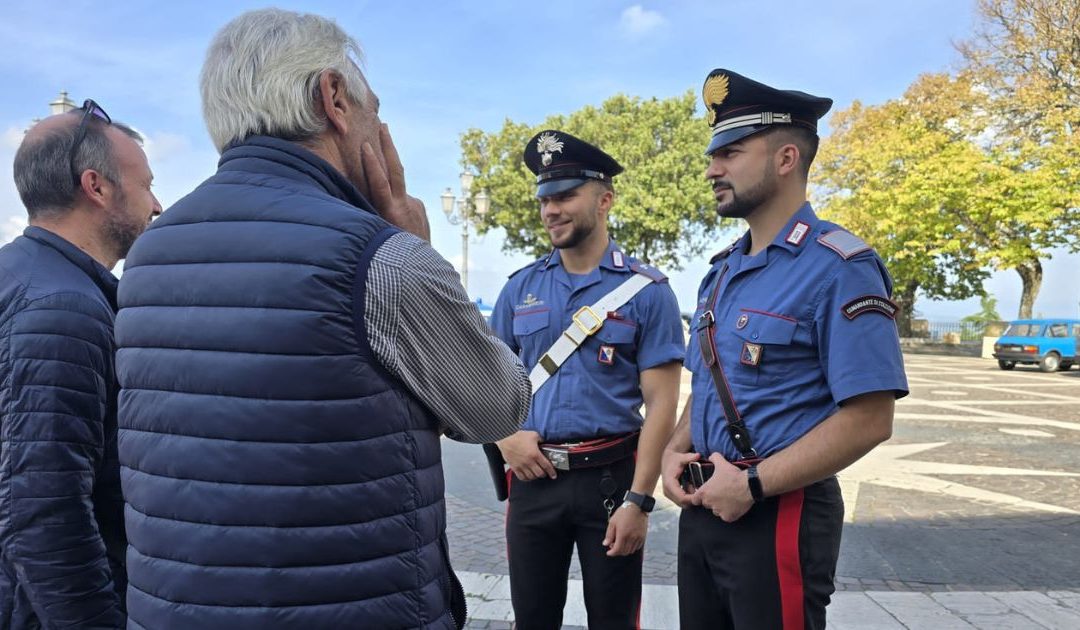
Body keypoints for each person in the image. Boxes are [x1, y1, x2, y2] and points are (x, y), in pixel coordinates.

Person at [114, 9, 530, 629]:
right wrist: (421, 247)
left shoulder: (148, 253)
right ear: (333, 98)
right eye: (375, 109)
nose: (381, 128)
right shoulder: (381, 258)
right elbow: (498, 407)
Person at [660, 69, 909, 630]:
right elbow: (709, 387)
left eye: (730, 152)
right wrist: (674, 451)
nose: (711, 169)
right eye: (712, 154)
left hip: (779, 510)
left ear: (786, 158)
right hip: (705, 505)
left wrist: (751, 484)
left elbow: (871, 419)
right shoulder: (721, 273)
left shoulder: (839, 267)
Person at [490, 130, 684, 629]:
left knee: (614, 620)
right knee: (532, 619)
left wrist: (640, 500)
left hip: (612, 480)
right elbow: (485, 383)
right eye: (544, 199)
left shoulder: (647, 292)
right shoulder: (520, 289)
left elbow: (662, 404)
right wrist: (505, 436)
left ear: (605, 199)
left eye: (565, 196)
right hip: (534, 482)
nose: (550, 210)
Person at [0, 100, 161, 628]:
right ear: (97, 187)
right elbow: (45, 511)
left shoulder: (19, 274)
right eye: (146, 185)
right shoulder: (62, 310)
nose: (157, 205)